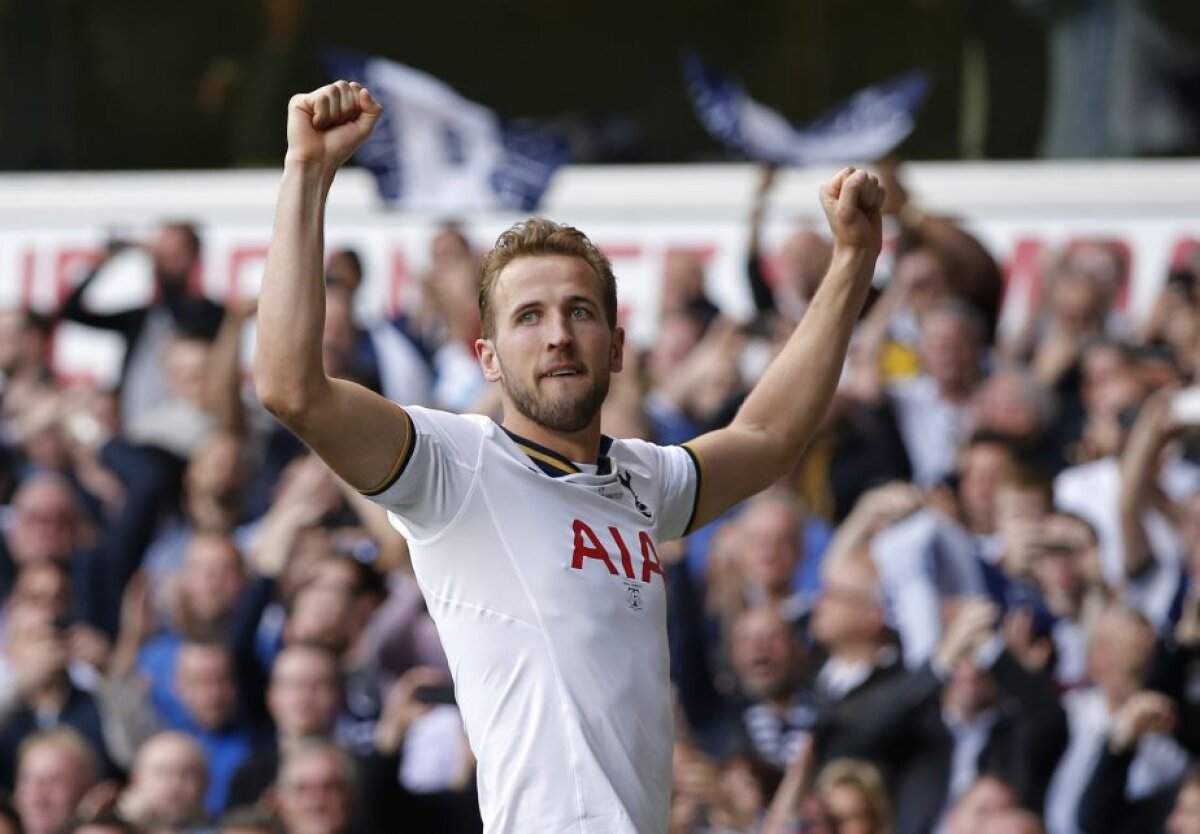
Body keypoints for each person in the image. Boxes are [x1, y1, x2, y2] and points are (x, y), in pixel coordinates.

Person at [254, 80, 885, 834]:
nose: (557, 334)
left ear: (616, 347)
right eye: (529, 317)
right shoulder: (454, 466)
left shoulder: (644, 480)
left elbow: (767, 438)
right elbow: (292, 386)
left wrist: (853, 260)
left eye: (579, 312)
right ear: (487, 357)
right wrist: (307, 174)